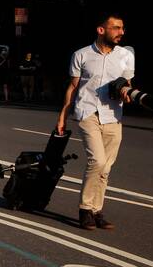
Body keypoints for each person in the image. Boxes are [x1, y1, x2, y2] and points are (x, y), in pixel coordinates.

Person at [57, 14, 134, 232]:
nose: (121, 32)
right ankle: (84, 209)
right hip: (87, 112)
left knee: (106, 168)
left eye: (123, 28)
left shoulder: (126, 55)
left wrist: (127, 94)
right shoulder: (81, 55)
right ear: (101, 30)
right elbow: (73, 87)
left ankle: (97, 211)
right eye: (116, 28)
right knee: (97, 161)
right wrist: (62, 115)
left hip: (113, 116)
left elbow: (126, 84)